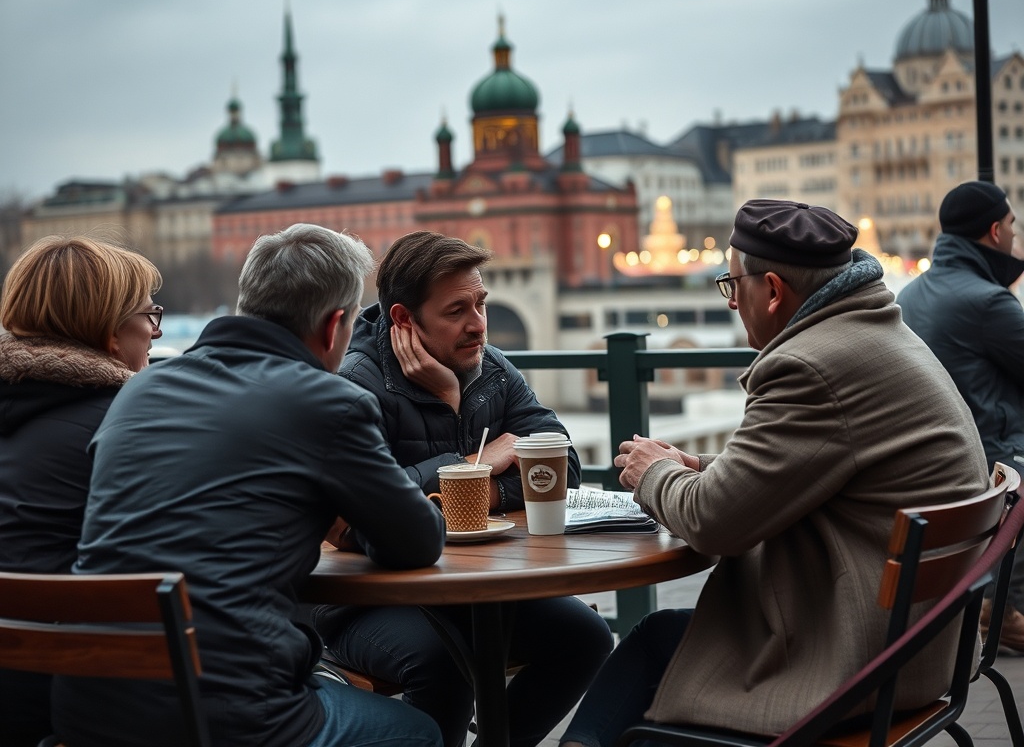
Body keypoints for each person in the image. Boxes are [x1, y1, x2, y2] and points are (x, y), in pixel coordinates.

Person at [560, 200, 990, 747]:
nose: (731, 300)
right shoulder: (876, 331)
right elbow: (813, 470)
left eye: (732, 284)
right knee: (658, 640)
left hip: (862, 661)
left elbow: (714, 522)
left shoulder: (810, 366)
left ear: (771, 290)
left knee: (651, 652)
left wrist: (653, 473)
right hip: (921, 645)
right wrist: (700, 467)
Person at [51, 224, 447, 747]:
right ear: (334, 327)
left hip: (89, 708)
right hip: (224, 714)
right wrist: (352, 521)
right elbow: (418, 541)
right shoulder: (328, 401)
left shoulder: (142, 388)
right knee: (417, 733)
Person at [311, 230, 613, 747]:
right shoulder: (353, 382)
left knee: (586, 637)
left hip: (466, 587)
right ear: (404, 319)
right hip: (362, 598)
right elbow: (362, 517)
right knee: (443, 664)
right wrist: (475, 462)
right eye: (457, 310)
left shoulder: (490, 368)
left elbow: (561, 464)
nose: (478, 324)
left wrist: (475, 487)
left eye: (481, 303)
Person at [0, 235, 162, 746]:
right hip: (78, 701)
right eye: (149, 314)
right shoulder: (129, 424)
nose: (156, 332)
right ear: (110, 333)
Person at [897, 180, 1024, 651]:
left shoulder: (910, 295)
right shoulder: (989, 302)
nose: (1015, 234)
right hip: (994, 457)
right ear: (994, 231)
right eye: (1011, 224)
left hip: (938, 457)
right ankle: (1002, 608)